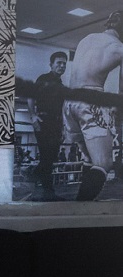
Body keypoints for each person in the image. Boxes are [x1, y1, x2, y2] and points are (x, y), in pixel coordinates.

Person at [66, 11, 123, 199]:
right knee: (103, 162)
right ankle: (81, 207)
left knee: (89, 160)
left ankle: (83, 206)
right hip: (92, 101)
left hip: (69, 101)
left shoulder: (87, 38)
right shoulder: (117, 48)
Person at [31, 52, 69, 199]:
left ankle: (36, 173)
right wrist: (32, 116)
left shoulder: (61, 85)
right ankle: (49, 192)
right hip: (43, 121)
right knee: (47, 157)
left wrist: (64, 127)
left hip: (57, 124)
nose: (62, 66)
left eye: (64, 63)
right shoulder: (43, 79)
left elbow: (63, 108)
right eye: (59, 63)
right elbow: (30, 96)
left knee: (52, 157)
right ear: (51, 64)